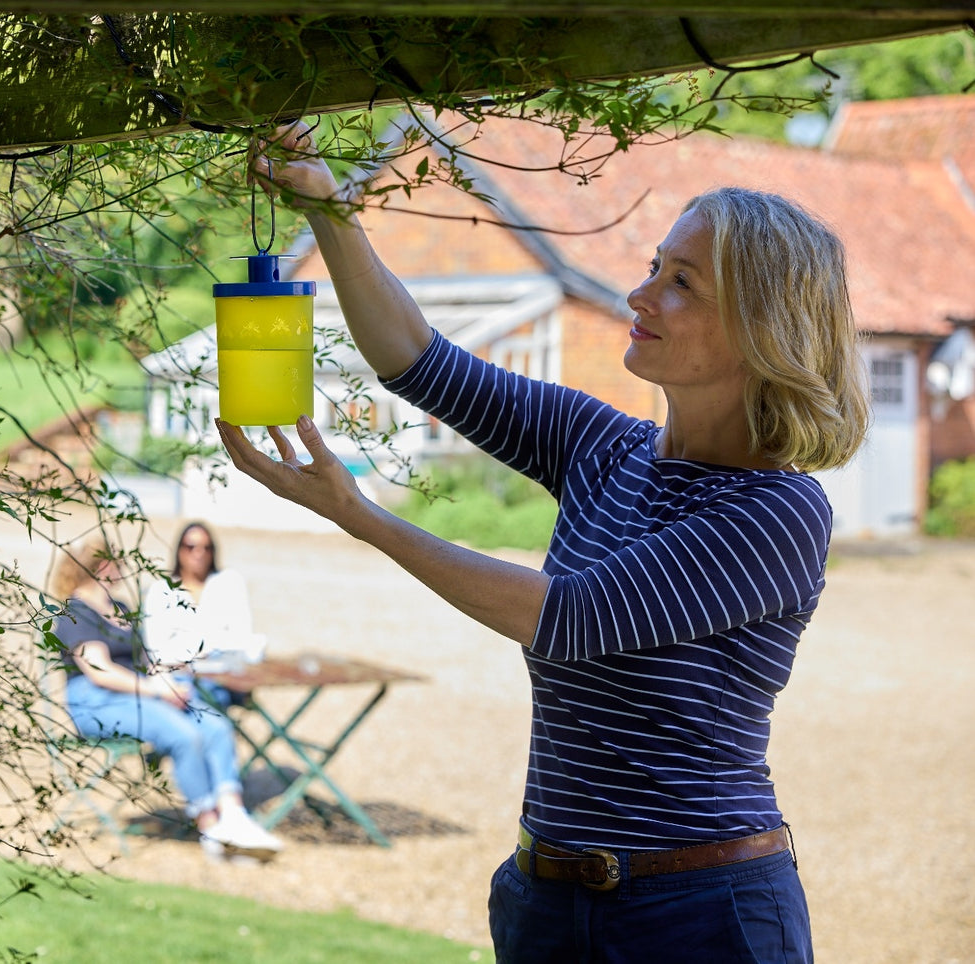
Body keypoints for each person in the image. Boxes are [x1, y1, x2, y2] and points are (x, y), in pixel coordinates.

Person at [215, 121, 870, 963]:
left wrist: (360, 514)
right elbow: (414, 358)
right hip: (546, 902)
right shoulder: (602, 448)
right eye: (652, 268)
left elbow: (564, 617)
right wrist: (328, 207)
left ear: (760, 326)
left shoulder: (775, 509)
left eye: (680, 282)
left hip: (700, 912)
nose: (639, 295)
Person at [48, 532, 283, 862]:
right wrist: (154, 689)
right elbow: (99, 670)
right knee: (183, 734)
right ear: (103, 565)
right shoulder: (76, 612)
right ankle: (211, 828)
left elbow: (146, 661)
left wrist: (169, 683)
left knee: (213, 723)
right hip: (96, 702)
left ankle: (233, 814)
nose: (124, 569)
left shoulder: (120, 608)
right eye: (120, 562)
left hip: (139, 693)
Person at [142, 521, 263, 673]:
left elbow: (242, 638)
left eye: (206, 548)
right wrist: (213, 645)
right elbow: (157, 650)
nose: (199, 554)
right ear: (179, 550)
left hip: (225, 675)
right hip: (178, 677)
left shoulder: (230, 582)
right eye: (191, 547)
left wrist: (188, 645)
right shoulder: (161, 590)